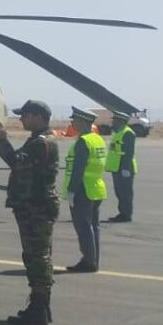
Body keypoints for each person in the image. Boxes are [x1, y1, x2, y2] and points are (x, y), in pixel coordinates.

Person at [0, 99, 60, 325]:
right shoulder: (38, 141)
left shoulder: (41, 143)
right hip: (35, 205)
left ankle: (39, 308)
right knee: (37, 256)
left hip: (36, 207)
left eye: (25, 115)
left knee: (37, 257)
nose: (21, 119)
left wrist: (2, 142)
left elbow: (17, 162)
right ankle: (41, 307)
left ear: (38, 117)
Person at [62, 106, 108, 273]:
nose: (72, 123)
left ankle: (88, 261)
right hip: (96, 188)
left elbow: (78, 169)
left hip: (83, 189)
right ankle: (93, 260)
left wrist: (71, 190)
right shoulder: (98, 139)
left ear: (82, 121)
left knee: (83, 227)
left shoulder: (83, 142)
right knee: (93, 227)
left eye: (74, 120)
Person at [104, 110, 138, 223]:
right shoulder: (118, 132)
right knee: (119, 192)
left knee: (125, 193)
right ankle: (122, 213)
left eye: (115, 120)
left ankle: (126, 215)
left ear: (122, 121)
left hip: (124, 168)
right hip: (116, 168)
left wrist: (125, 168)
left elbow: (128, 153)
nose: (113, 122)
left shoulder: (128, 133)